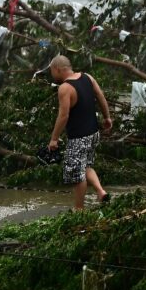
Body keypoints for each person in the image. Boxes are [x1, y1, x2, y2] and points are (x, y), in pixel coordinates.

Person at [47, 55, 112, 209]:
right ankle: (101, 191)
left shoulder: (65, 88)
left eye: (51, 72)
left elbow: (64, 115)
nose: (52, 75)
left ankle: (79, 210)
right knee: (87, 166)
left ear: (57, 69)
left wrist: (54, 139)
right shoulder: (87, 77)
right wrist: (107, 117)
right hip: (93, 133)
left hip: (78, 138)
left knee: (77, 176)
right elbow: (100, 96)